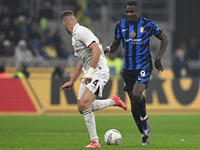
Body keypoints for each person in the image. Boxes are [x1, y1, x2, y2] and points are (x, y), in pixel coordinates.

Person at [59, 10, 127, 148]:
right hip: (89, 72)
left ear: (64, 24)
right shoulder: (75, 36)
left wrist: (90, 72)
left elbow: (96, 50)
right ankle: (113, 101)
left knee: (85, 104)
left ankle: (95, 141)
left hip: (98, 72)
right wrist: (72, 81)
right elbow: (81, 60)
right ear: (75, 19)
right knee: (81, 107)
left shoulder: (81, 31)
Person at [104, 1, 168, 145]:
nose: (129, 14)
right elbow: (115, 44)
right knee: (133, 105)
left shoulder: (148, 24)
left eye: (132, 11)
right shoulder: (120, 26)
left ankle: (145, 118)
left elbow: (165, 38)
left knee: (137, 94)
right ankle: (144, 135)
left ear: (138, 11)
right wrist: (106, 49)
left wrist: (158, 57)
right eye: (127, 12)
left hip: (144, 65)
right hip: (128, 69)